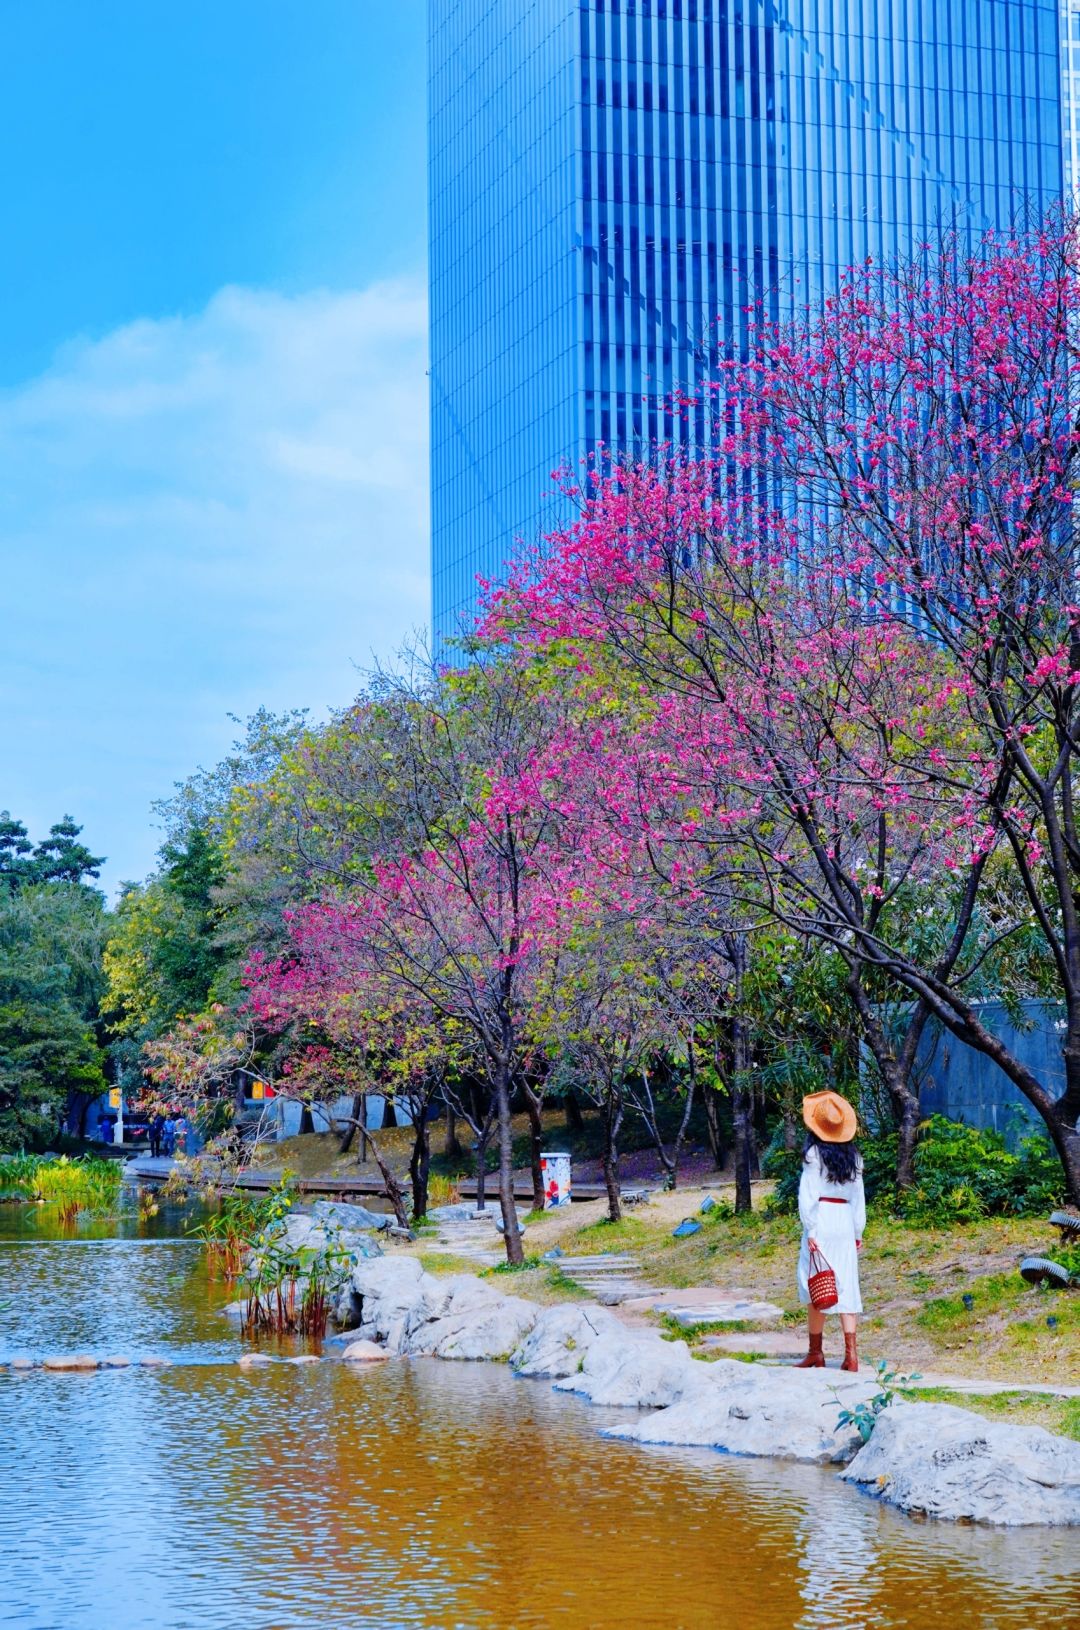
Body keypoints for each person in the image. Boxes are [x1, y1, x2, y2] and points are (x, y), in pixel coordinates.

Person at [794, 1090, 865, 1373]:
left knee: (817, 1283)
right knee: (846, 1283)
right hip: (845, 1220)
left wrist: (811, 1231)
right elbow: (858, 1197)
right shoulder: (854, 1157)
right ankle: (851, 1355)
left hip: (822, 1219)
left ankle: (816, 1352)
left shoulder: (813, 1154)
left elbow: (807, 1195)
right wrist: (858, 1231)